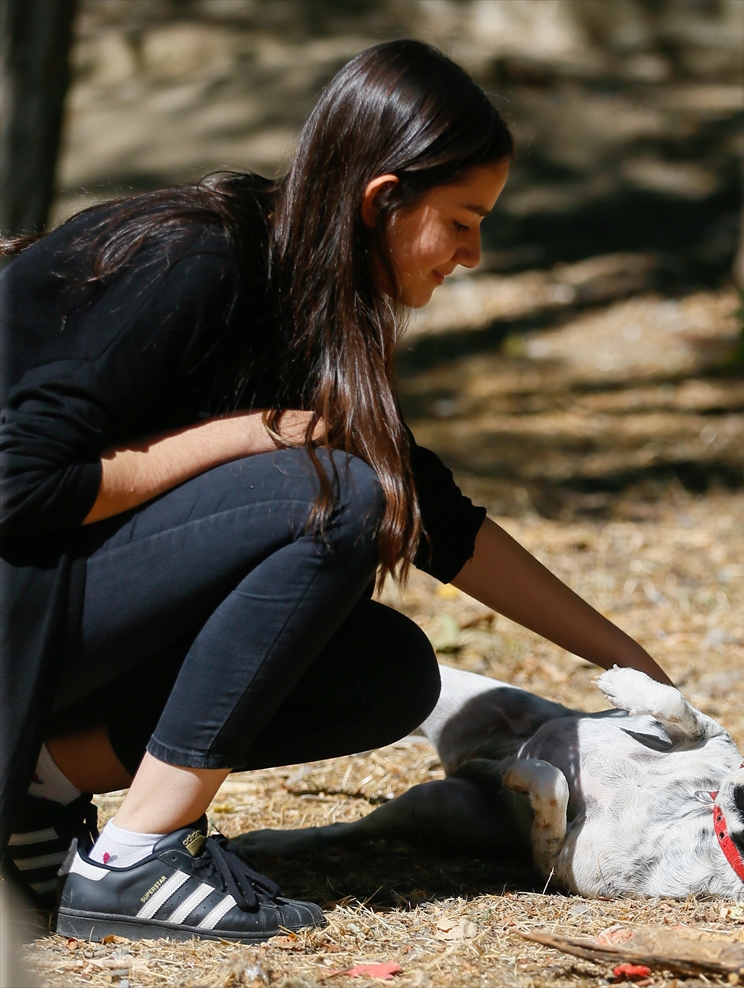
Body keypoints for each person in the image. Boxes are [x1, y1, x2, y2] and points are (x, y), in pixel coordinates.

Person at [0, 39, 671, 943]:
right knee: (331, 494)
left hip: (44, 618)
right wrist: (249, 434)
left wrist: (635, 667)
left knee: (382, 673)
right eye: (463, 220)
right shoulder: (199, 260)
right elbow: (17, 486)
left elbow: (436, 515)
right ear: (383, 199)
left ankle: (37, 788)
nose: (473, 254)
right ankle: (138, 856)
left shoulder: (316, 306)